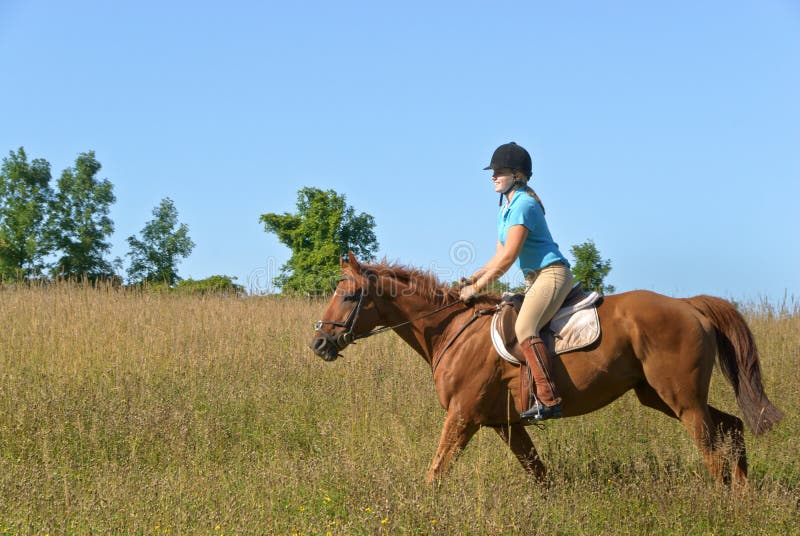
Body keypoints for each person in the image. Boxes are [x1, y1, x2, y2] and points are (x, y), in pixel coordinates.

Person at [459, 142, 573, 420]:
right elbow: (497, 255)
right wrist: (472, 277)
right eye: (493, 171)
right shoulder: (505, 210)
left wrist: (478, 288)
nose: (493, 176)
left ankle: (548, 398)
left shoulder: (523, 205)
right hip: (535, 279)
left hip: (552, 274)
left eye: (499, 171)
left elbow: (509, 258)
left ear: (518, 176)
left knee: (524, 327)